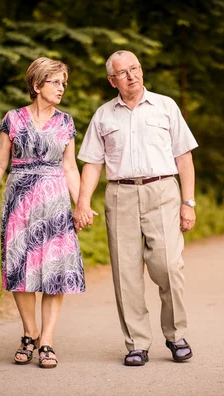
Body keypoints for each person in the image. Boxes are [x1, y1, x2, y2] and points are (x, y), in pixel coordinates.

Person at [74, 50, 198, 366]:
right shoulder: (103, 115)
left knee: (168, 266)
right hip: (121, 195)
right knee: (125, 273)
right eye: (124, 72)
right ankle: (136, 344)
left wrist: (188, 202)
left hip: (162, 192)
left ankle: (176, 335)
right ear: (112, 80)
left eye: (136, 68)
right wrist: (83, 202)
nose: (132, 75)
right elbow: (91, 163)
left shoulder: (165, 106)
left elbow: (184, 158)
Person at [0, 57, 84, 368]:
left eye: (64, 82)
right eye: (55, 82)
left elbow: (70, 167)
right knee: (19, 267)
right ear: (37, 85)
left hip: (55, 204)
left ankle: (47, 341)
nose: (62, 87)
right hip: (19, 202)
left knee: (54, 271)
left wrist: (81, 204)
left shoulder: (66, 123)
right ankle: (30, 333)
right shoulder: (12, 119)